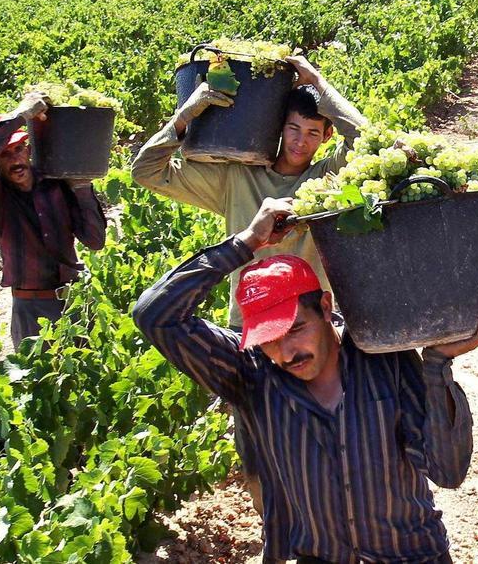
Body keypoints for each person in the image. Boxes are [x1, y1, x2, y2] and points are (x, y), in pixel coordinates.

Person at [132, 198, 478, 563]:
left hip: (412, 555)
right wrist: (247, 242)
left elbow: (447, 471)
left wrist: (436, 365)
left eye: (295, 329)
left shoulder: (385, 356)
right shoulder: (250, 375)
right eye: (268, 338)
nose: (285, 352)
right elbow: (155, 314)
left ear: (325, 307)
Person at [132, 54, 368, 512]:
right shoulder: (237, 177)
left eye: (315, 133)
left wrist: (320, 84)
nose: (302, 142)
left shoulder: (330, 177)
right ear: (279, 127)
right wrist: (187, 115)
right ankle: (276, 531)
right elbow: (147, 172)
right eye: (295, 129)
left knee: (338, 438)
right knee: (259, 448)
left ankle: (341, 528)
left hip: (315, 330)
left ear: (326, 139)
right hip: (254, 333)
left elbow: (373, 141)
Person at [0, 92, 107, 348]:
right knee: (38, 380)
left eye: (18, 150)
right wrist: (22, 114)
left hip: (75, 299)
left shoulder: (57, 185)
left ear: (29, 151)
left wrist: (82, 186)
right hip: (31, 309)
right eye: (5, 154)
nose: (15, 159)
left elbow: (95, 241)